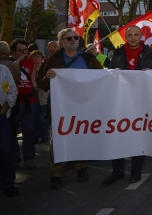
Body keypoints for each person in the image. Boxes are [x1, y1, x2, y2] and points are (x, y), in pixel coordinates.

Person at [37, 29, 104, 190]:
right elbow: (40, 82)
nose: (73, 40)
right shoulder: (53, 60)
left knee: (81, 136)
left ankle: (81, 167)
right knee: (57, 141)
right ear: (61, 42)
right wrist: (47, 77)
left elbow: (102, 78)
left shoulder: (89, 58)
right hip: (60, 107)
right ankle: (56, 173)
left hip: (83, 106)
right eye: (69, 38)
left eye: (76, 37)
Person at [102, 25, 152, 186]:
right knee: (118, 135)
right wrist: (112, 72)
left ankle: (136, 172)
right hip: (121, 101)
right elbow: (107, 74)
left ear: (141, 36)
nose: (133, 38)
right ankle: (117, 172)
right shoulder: (117, 53)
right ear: (125, 37)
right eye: (130, 35)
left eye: (136, 35)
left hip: (142, 101)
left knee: (138, 137)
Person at [9, 39, 37, 170]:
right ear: (13, 52)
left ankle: (29, 157)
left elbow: (32, 77)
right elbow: (11, 72)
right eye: (21, 51)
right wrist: (19, 60)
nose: (25, 53)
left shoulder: (31, 61)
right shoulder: (9, 63)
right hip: (15, 103)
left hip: (29, 101)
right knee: (12, 132)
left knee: (29, 131)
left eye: (26, 50)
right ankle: (15, 158)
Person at [0, 63, 18, 197]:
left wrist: (6, 106)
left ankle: (8, 184)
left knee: (5, 151)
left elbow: (10, 89)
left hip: (1, 117)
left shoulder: (3, 70)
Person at [30, 50, 49, 144]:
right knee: (35, 116)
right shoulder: (31, 68)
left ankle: (45, 135)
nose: (36, 58)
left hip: (44, 95)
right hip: (33, 94)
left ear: (41, 57)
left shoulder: (45, 67)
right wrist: (35, 87)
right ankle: (36, 136)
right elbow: (32, 79)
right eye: (34, 56)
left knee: (42, 116)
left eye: (38, 56)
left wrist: (40, 86)